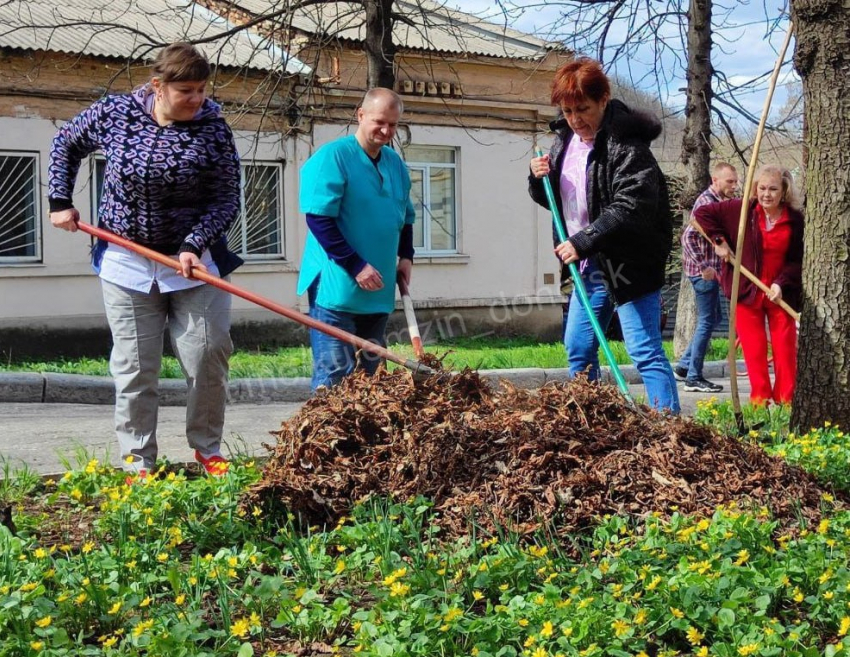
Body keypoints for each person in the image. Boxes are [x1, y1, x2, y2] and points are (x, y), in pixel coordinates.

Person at [48, 43, 243, 478]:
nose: (197, 99)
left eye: (201, 89)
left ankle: (207, 448)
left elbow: (227, 197)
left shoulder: (213, 128)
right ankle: (138, 460)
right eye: (186, 91)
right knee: (136, 366)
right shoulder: (116, 113)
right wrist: (60, 199)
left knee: (208, 354)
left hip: (192, 264)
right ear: (158, 86)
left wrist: (194, 243)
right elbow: (66, 142)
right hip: (127, 263)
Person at [528, 57, 679, 413]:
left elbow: (632, 206)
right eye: (567, 111)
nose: (575, 119)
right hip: (589, 264)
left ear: (603, 99)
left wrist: (582, 241)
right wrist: (538, 178)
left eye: (583, 109)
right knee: (578, 348)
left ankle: (670, 429)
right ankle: (596, 421)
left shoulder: (627, 143)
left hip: (630, 262)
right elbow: (555, 200)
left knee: (643, 349)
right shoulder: (564, 141)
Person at [297, 88, 416, 391]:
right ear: (360, 115)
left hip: (379, 287)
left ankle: (369, 439)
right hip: (338, 285)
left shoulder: (395, 165)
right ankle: (325, 437)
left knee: (373, 377)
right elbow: (319, 218)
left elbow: (406, 217)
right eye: (379, 122)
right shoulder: (333, 157)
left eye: (393, 124)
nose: (386, 131)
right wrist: (355, 265)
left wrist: (405, 257)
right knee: (335, 374)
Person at [693, 165, 803, 406]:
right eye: (762, 188)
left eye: (773, 189)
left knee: (785, 351)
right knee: (754, 351)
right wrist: (719, 241)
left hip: (780, 294)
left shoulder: (795, 220)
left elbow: (797, 261)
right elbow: (701, 216)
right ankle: (759, 402)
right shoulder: (741, 210)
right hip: (746, 290)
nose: (766, 194)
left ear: (783, 191)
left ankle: (786, 402)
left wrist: (781, 284)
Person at [674, 162, 739, 393]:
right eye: (729, 181)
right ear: (715, 180)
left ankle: (683, 367)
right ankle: (694, 377)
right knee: (706, 321)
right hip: (703, 273)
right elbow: (688, 237)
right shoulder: (706, 203)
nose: (734, 185)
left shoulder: (717, 203)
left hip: (711, 270)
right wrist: (704, 266)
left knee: (713, 318)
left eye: (735, 181)